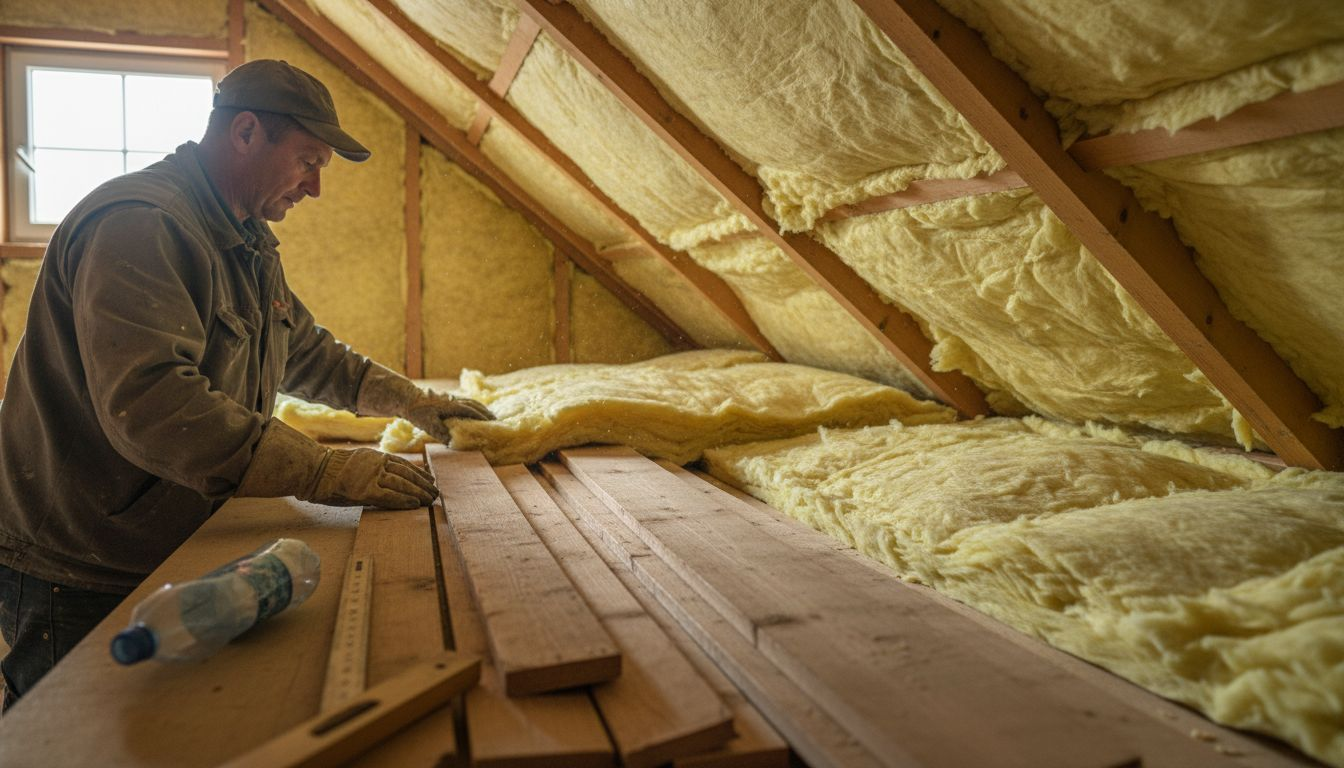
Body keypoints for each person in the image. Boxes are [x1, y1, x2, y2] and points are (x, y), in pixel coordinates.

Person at [0, 59, 493, 708]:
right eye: (308, 161)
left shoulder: (243, 233)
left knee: (161, 725)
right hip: (84, 556)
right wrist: (323, 472)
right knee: (73, 735)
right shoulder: (143, 224)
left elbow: (305, 351)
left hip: (161, 534)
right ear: (246, 133)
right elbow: (151, 406)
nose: (314, 187)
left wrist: (413, 402)